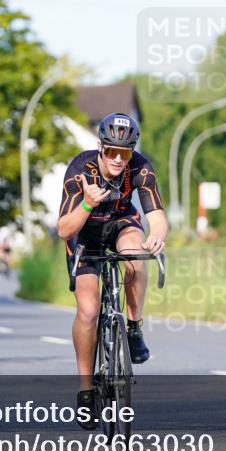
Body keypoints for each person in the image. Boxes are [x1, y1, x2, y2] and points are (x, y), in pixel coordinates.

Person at [57, 113, 167, 429]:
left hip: (120, 223)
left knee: (135, 254)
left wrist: (157, 234)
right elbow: (64, 229)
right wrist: (88, 204)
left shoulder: (141, 168)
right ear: (100, 148)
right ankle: (86, 390)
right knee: (89, 311)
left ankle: (133, 327)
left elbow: (156, 215)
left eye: (126, 152)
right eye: (112, 151)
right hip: (84, 231)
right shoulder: (81, 170)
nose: (119, 159)